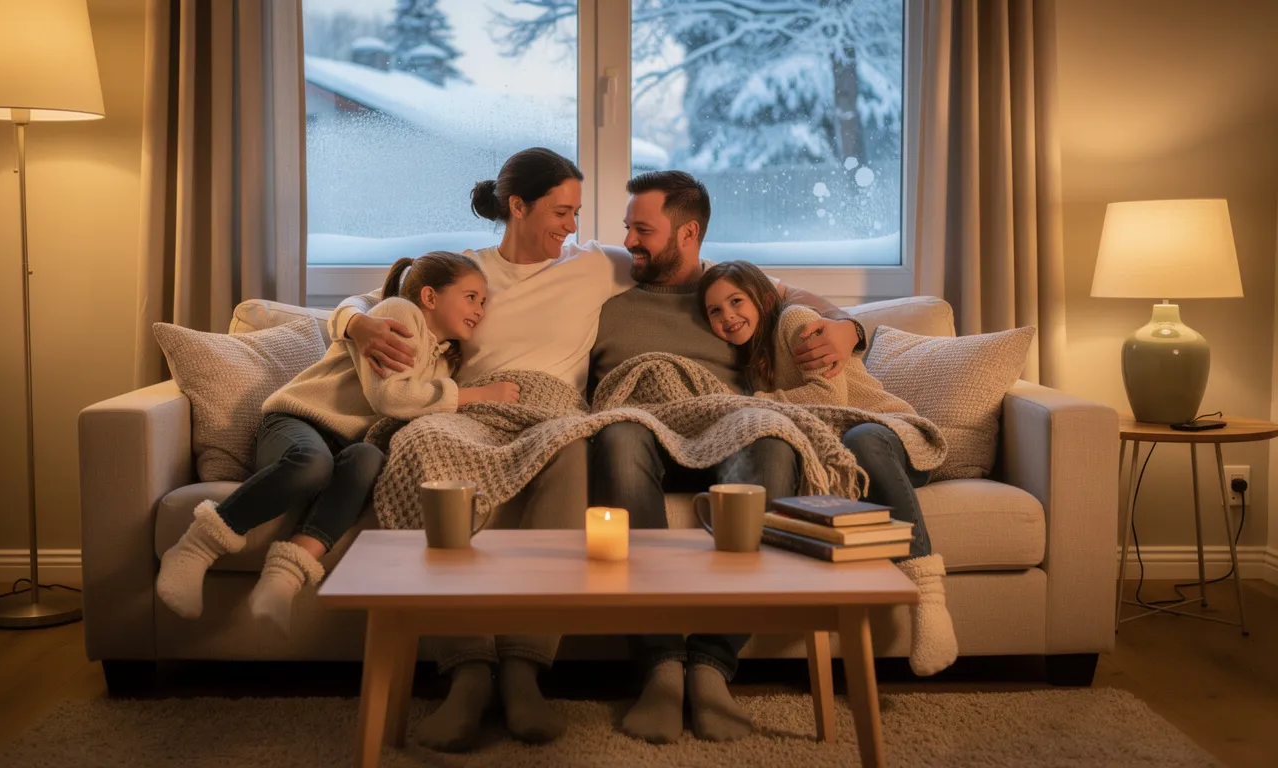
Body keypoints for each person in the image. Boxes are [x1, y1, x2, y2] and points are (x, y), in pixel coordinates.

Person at [335, 150, 855, 751]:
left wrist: (847, 325)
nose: (578, 227)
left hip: (557, 409)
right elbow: (378, 299)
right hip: (474, 405)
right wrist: (354, 325)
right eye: (563, 211)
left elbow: (772, 291)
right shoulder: (465, 271)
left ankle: (543, 670)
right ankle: (470, 673)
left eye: (579, 212)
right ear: (517, 206)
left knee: (583, 444)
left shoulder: (598, 266)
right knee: (420, 445)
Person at [587, 171, 870, 744]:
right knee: (617, 436)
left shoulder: (727, 294)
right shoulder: (602, 296)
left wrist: (851, 328)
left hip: (723, 424)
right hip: (641, 424)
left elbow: (804, 307)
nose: (629, 240)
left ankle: (713, 666)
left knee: (771, 436)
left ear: (688, 233)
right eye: (627, 227)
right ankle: (661, 667)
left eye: (643, 228)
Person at [155, 250, 501, 635]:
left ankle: (284, 576)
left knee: (368, 459)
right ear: (431, 297)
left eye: (484, 301)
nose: (480, 310)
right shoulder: (399, 315)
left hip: (345, 445)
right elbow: (390, 398)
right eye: (471, 297)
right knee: (313, 464)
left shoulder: (445, 360)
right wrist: (479, 395)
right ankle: (194, 547)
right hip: (295, 421)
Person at [697, 259, 958, 677]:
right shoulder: (747, 357)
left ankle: (928, 598)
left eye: (736, 301)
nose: (728, 317)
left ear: (762, 300)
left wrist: (754, 404)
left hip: (888, 434)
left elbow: (829, 399)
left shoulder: (796, 322)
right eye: (715, 311)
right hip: (846, 453)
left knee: (861, 440)